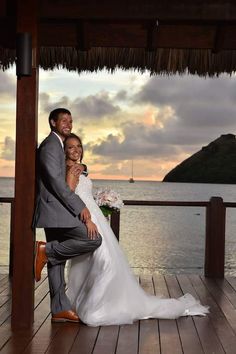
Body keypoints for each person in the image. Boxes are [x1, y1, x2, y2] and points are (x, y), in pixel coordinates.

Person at [64, 133, 209, 327]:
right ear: (64, 150)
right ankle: (94, 309)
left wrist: (99, 204)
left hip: (95, 217)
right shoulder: (71, 170)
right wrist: (86, 218)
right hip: (87, 219)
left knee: (101, 261)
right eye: (71, 147)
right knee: (102, 261)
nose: (76, 150)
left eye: (78, 146)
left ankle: (101, 303)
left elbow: (84, 193)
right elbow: (69, 196)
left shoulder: (80, 168)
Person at [33, 108, 102, 323]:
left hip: (55, 209)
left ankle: (59, 309)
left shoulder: (57, 145)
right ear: (53, 122)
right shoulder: (50, 145)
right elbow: (57, 183)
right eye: (64, 120)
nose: (68, 124)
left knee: (56, 263)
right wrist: (80, 207)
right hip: (57, 208)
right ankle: (45, 249)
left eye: (70, 121)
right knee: (92, 239)